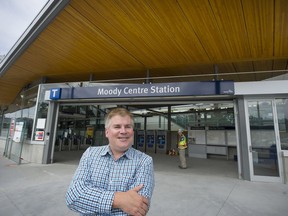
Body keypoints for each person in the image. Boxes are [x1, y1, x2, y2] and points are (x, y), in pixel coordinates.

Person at [66, 108, 155, 215]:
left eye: (128, 126)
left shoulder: (145, 161)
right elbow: (73, 197)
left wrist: (90, 199)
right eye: (117, 126)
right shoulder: (90, 154)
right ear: (107, 132)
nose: (123, 131)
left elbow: (139, 208)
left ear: (132, 131)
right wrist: (119, 200)